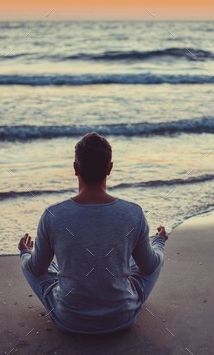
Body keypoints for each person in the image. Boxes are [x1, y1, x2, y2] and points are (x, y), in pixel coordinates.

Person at [18, 132, 168, 334]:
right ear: (110, 168)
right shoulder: (134, 213)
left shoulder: (53, 215)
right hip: (122, 317)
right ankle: (153, 248)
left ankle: (31, 258)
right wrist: (159, 242)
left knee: (33, 265)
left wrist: (25, 253)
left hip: (69, 319)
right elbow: (149, 266)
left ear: (75, 168)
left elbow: (37, 269)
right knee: (152, 260)